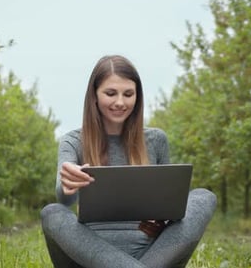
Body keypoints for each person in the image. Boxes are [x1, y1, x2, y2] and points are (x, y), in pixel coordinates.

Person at [40, 55, 216, 268]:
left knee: (204, 198)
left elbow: (168, 208)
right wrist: (68, 184)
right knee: (52, 213)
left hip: (153, 255)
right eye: (111, 93)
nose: (120, 102)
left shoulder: (156, 140)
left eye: (128, 94)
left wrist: (163, 222)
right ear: (94, 95)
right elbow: (64, 201)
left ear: (137, 97)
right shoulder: (73, 141)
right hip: (89, 255)